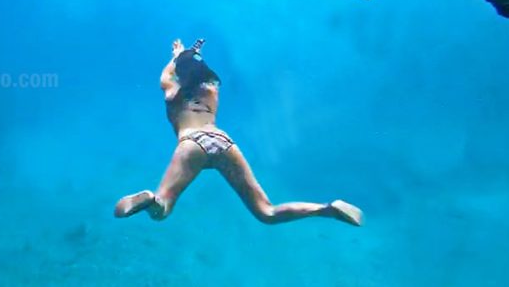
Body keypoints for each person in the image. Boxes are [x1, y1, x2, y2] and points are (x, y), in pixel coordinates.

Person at [114, 38, 363, 226]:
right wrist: (192, 56)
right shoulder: (212, 89)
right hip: (223, 142)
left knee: (164, 207)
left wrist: (178, 55)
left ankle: (150, 199)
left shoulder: (173, 92)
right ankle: (326, 209)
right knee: (266, 212)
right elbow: (196, 71)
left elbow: (167, 74)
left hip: (192, 143)